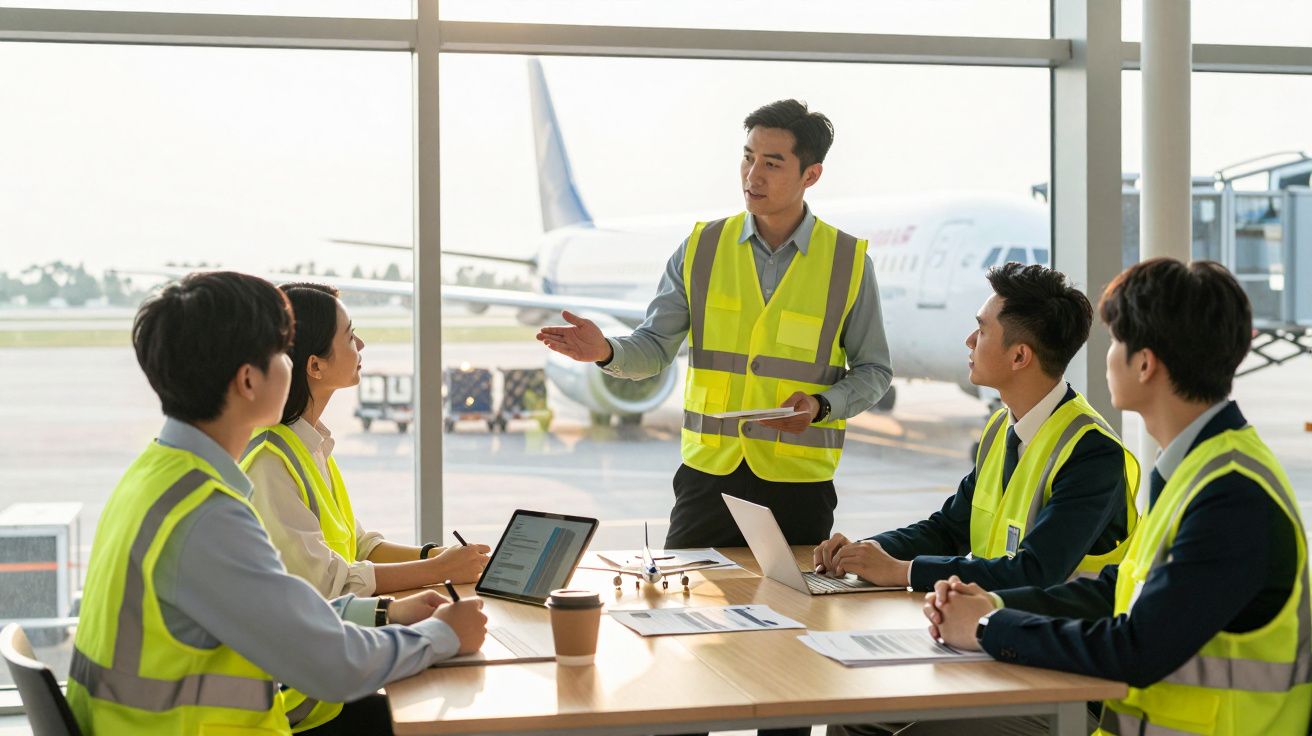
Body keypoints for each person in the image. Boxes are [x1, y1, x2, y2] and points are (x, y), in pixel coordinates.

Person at [849, 259, 1312, 736]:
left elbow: (1137, 647)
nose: (1105, 357)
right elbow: (1116, 590)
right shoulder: (1197, 467)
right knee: (859, 717)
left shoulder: (1230, 496)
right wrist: (991, 605)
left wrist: (987, 627)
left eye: (1115, 343)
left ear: (1145, 364)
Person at [67, 272, 488, 736]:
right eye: (282, 352)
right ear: (249, 380)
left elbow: (279, 614)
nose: (292, 365)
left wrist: (388, 613)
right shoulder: (207, 516)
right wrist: (443, 635)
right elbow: (332, 665)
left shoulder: (157, 477)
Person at [537, 98, 893, 552]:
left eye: (772, 163)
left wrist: (822, 406)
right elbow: (655, 346)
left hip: (799, 484)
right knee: (682, 591)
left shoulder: (847, 263)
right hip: (708, 478)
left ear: (811, 175)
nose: (752, 175)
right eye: (747, 157)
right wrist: (607, 351)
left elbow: (874, 370)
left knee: (794, 597)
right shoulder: (701, 248)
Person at [240, 282, 491, 731]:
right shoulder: (269, 463)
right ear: (315, 365)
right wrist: (439, 570)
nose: (361, 345)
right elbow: (328, 585)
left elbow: (360, 546)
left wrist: (439, 557)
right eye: (349, 335)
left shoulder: (310, 445)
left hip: (329, 685)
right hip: (302, 704)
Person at [813, 263, 1139, 592]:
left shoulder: (1093, 453)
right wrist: (865, 551)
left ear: (1019, 357)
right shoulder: (1001, 427)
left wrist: (902, 572)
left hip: (1062, 624)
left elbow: (1034, 572)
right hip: (989, 616)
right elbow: (949, 530)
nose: (969, 340)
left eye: (982, 331)